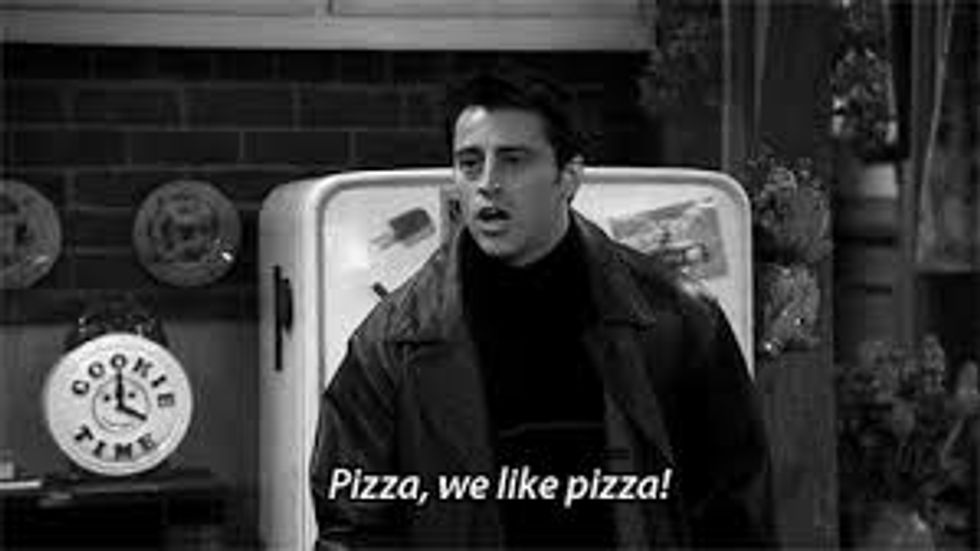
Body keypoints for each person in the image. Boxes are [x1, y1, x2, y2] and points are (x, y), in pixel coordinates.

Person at [310, 65, 777, 549]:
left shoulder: (675, 318)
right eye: (470, 163)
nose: (488, 183)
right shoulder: (393, 340)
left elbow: (734, 512)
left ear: (569, 176)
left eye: (513, 160)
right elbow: (353, 525)